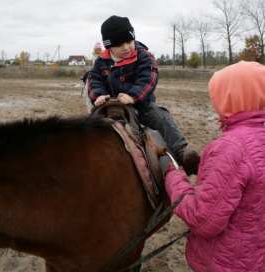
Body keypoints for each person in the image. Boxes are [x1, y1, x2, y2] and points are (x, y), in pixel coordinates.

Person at [162, 61, 265, 271]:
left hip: (225, 263)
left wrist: (173, 176)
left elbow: (203, 220)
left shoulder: (230, 149)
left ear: (229, 97)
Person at [87, 15, 200, 175]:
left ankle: (182, 151)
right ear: (109, 47)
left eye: (129, 41)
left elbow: (148, 78)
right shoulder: (101, 62)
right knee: (87, 125)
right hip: (110, 106)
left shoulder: (143, 56)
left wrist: (133, 96)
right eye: (119, 44)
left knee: (161, 117)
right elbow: (94, 79)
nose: (126, 47)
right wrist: (99, 95)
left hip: (141, 105)